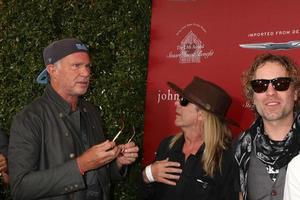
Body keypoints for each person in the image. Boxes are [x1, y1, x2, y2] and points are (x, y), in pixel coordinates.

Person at [8, 38, 139, 200]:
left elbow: (96, 175)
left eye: (87, 66)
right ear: (52, 70)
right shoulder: (29, 119)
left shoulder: (91, 112)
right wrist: (80, 165)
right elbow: (20, 188)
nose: (86, 73)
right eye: (76, 66)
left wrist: (116, 162)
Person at [139, 76, 239, 200]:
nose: (176, 103)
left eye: (184, 101)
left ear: (202, 114)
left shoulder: (227, 157)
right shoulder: (167, 145)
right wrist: (147, 175)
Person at [235, 53, 300, 200]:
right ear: (252, 97)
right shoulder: (239, 148)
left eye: (280, 83)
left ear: (295, 93)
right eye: (260, 85)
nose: (270, 92)